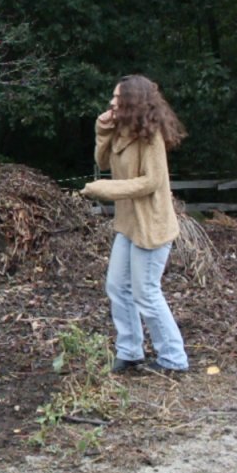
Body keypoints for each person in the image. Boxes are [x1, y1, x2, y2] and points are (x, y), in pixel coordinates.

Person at [80, 74, 189, 375]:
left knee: (146, 292)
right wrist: (101, 129)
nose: (112, 103)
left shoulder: (150, 136)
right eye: (112, 99)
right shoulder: (118, 129)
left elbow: (151, 181)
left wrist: (105, 190)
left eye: (118, 99)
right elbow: (102, 162)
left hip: (152, 225)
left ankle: (174, 358)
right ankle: (130, 352)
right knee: (116, 286)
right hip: (128, 223)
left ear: (133, 102)